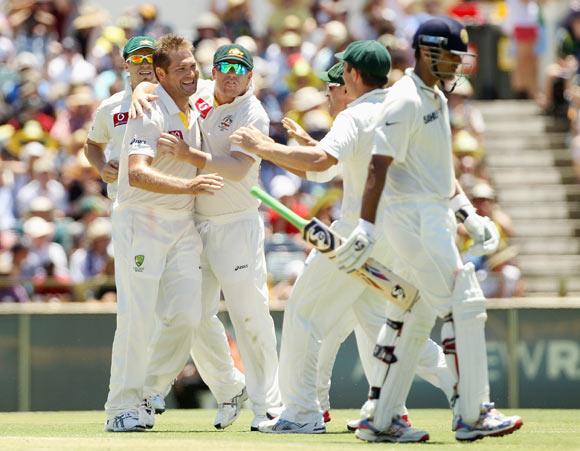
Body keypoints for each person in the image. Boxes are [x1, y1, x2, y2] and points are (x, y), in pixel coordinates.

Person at [230, 40, 454, 435]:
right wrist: (306, 145)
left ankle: (301, 414)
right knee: (378, 324)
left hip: (357, 233)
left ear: (351, 74)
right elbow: (340, 164)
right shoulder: (405, 107)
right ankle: (401, 411)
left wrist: (264, 147)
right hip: (399, 234)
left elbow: (322, 163)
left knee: (303, 313)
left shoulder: (355, 114)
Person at [333, 17, 523, 443]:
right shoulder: (403, 100)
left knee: (413, 313)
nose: (458, 64)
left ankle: (379, 418)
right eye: (452, 55)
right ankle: (473, 413)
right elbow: (377, 168)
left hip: (431, 215)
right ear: (428, 51)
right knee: (464, 302)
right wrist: (365, 225)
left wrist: (468, 215)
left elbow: (440, 173)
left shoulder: (433, 95)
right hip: (413, 220)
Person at [134, 43, 282, 431]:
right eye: (224, 67)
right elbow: (158, 87)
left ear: (250, 76)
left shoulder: (253, 113)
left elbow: (236, 169)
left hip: (236, 223)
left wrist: (189, 156)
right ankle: (230, 387)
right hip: (196, 222)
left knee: (249, 313)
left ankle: (269, 405)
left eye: (240, 69)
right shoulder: (197, 94)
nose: (231, 74)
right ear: (212, 71)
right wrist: (138, 90)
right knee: (193, 315)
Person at [103, 33, 224, 432]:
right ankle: (121, 407)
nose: (192, 73)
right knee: (136, 318)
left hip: (182, 222)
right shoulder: (148, 109)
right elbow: (136, 173)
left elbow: (224, 83)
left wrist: (146, 85)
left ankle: (148, 391)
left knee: (189, 316)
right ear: (162, 73)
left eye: (194, 65)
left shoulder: (192, 94)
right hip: (142, 219)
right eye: (183, 68)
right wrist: (189, 186)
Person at [85, 35, 157, 201]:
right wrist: (102, 168)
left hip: (167, 203)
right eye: (138, 58)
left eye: (151, 58)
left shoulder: (176, 101)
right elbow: (92, 145)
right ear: (126, 64)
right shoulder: (110, 106)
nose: (145, 63)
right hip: (125, 200)